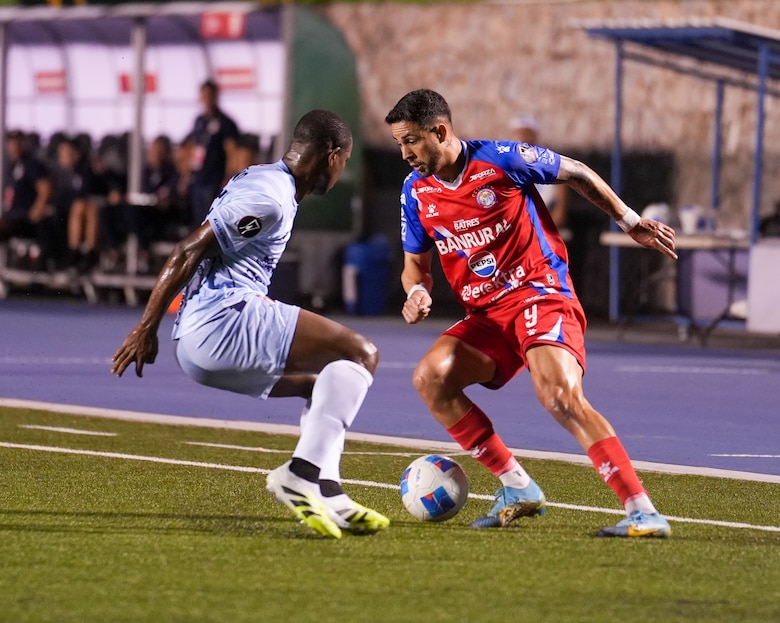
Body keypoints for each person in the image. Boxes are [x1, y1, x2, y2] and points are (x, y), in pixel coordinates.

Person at [385, 89, 677, 537]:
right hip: (485, 314)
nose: (405, 153)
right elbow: (414, 268)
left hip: (539, 294)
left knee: (560, 396)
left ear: (440, 131)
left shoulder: (502, 159)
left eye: (410, 141)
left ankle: (642, 509)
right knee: (431, 379)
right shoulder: (415, 191)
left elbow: (577, 172)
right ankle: (517, 486)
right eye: (399, 144)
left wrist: (628, 219)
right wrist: (416, 292)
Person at [111, 110, 389, 540]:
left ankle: (329, 493)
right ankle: (299, 475)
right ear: (332, 156)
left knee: (327, 384)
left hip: (197, 346)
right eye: (345, 161)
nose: (342, 171)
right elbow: (188, 249)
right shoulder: (272, 197)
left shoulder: (263, 178)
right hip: (223, 322)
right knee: (361, 355)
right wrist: (145, 326)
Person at [184, 79, 240, 230]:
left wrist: (228, 177)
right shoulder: (199, 121)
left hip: (215, 178)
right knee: (198, 219)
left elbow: (232, 151)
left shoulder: (225, 122)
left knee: (212, 221)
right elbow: (195, 146)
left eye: (210, 95)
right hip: (199, 177)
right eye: (204, 95)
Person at [0, 130, 54, 271]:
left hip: (25, 218)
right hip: (11, 214)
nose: (13, 147)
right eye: (11, 143)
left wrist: (38, 208)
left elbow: (45, 187)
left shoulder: (30, 164)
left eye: (17, 143)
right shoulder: (10, 166)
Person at [510, 115, 569, 232]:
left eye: (526, 133)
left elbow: (561, 184)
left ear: (534, 135)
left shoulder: (546, 158)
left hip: (545, 211)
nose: (522, 137)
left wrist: (559, 211)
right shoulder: (507, 160)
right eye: (519, 133)